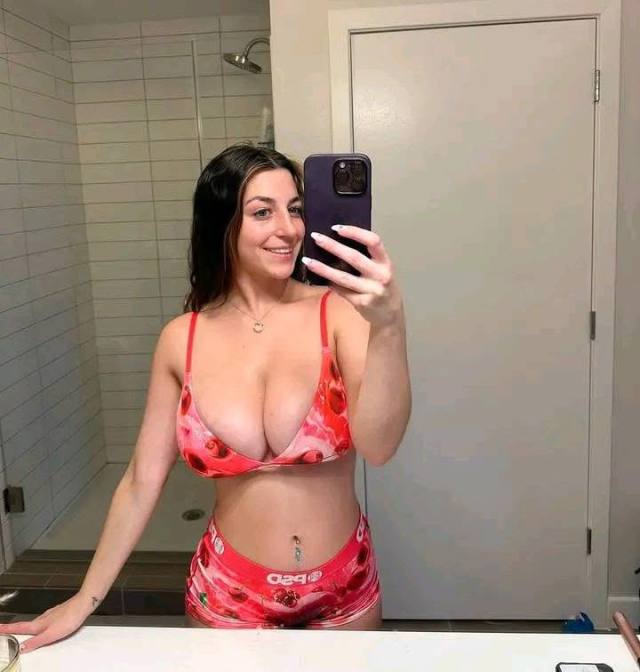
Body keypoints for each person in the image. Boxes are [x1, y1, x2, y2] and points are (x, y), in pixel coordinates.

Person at [0, 144, 411, 650]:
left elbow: (380, 447)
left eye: (295, 209)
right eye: (262, 212)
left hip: (343, 586)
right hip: (229, 592)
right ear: (223, 224)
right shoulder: (183, 339)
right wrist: (85, 599)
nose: (288, 229)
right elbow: (141, 480)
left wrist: (390, 327)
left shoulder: (341, 313)